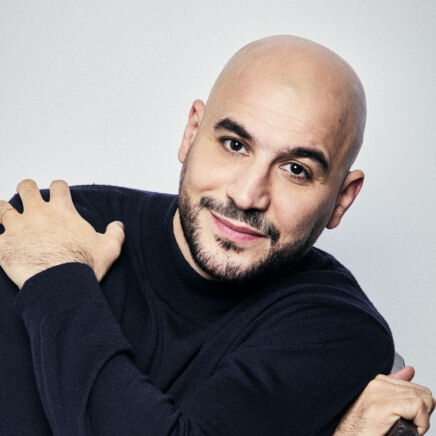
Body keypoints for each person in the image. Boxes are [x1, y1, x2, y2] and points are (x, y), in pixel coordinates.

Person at [0, 35, 433, 435]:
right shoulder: (51, 226)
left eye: (296, 169)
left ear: (341, 198)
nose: (247, 196)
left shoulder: (337, 328)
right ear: (191, 133)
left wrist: (56, 280)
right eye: (234, 144)